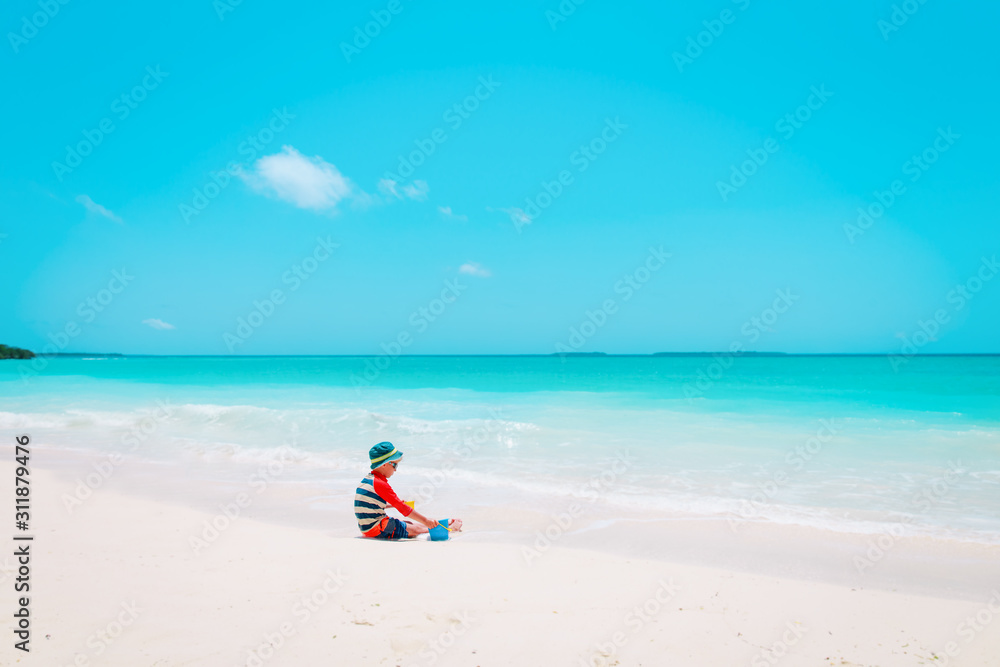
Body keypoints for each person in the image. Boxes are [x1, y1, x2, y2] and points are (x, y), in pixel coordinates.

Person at [355, 441, 462, 540]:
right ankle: (450, 530)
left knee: (408, 523)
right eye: (395, 464)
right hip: (377, 529)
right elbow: (403, 509)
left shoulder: (367, 480)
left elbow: (370, 505)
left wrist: (392, 505)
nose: (396, 469)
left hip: (367, 527)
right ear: (384, 464)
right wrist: (426, 521)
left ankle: (437, 523)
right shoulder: (380, 484)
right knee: (418, 529)